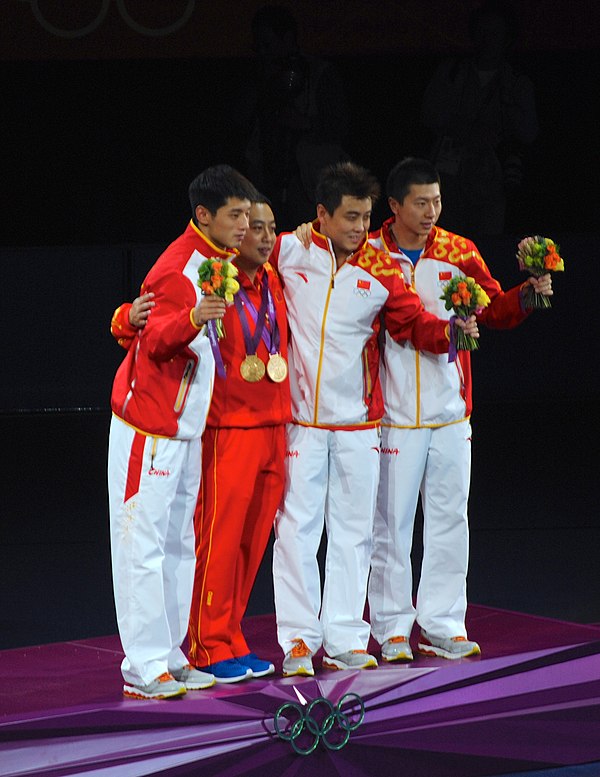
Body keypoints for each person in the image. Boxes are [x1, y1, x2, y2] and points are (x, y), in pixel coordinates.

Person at [270, 160, 479, 676]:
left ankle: (344, 638)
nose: (362, 229)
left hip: (362, 425)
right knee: (296, 532)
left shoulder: (380, 268)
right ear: (321, 215)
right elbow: (244, 259)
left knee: (354, 533)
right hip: (301, 423)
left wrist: (453, 334)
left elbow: (412, 323)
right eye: (350, 218)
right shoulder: (290, 251)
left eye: (365, 217)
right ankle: (298, 640)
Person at [367, 157, 552, 660]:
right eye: (421, 203)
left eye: (437, 201)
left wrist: (527, 296)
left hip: (451, 412)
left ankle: (442, 623)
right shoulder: (369, 255)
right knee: (390, 525)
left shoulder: (458, 250)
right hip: (392, 416)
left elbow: (492, 309)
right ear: (395, 206)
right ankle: (389, 628)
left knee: (450, 518)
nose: (432, 212)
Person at [119, 199, 291, 684]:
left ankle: (227, 636)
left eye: (268, 228)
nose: (259, 235)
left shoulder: (271, 278)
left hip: (270, 423)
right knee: (206, 542)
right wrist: (124, 318)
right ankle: (200, 643)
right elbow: (149, 325)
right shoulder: (210, 273)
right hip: (218, 426)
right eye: (247, 224)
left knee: (245, 543)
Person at [107, 164, 258, 700]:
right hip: (148, 424)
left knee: (178, 543)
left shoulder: (218, 262)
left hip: (186, 427)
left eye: (247, 214)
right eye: (235, 215)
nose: (244, 225)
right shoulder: (178, 267)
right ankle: (143, 665)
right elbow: (152, 341)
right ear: (204, 216)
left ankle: (171, 655)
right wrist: (194, 317)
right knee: (140, 545)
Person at [421, 0, 538, 235]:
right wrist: (461, 127)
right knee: (446, 245)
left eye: (495, 33)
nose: (488, 39)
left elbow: (529, 132)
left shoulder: (515, 82)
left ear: (506, 38)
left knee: (486, 250)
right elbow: (428, 116)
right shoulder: (452, 73)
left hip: (491, 183)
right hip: (448, 181)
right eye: (483, 32)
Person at [235, 3, 350, 231]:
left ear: (287, 38)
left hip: (311, 184)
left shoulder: (319, 74)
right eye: (258, 46)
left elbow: (340, 128)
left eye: (267, 44)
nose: (263, 52)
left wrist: (304, 124)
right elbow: (239, 124)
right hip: (267, 183)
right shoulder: (258, 77)